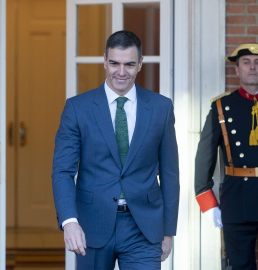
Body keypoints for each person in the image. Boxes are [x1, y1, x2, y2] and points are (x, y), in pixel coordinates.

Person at [52, 30, 180, 270]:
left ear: (140, 64)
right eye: (114, 63)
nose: (121, 72)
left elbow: (170, 174)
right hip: (92, 225)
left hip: (144, 227)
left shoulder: (161, 108)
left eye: (129, 64)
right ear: (104, 61)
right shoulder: (77, 108)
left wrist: (168, 230)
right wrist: (70, 221)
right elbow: (62, 171)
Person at [194, 43, 258, 270]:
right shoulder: (221, 106)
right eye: (246, 62)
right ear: (236, 69)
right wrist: (208, 202)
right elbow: (204, 157)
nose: (252, 67)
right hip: (237, 201)